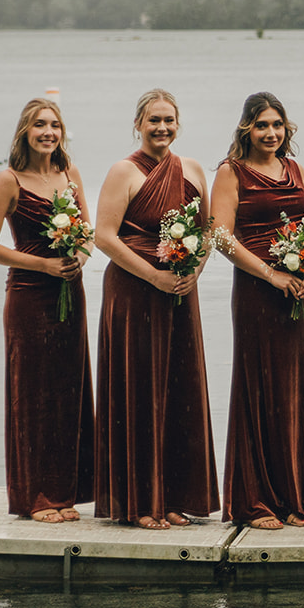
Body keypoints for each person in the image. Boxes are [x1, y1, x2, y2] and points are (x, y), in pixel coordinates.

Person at [92, 89, 219, 529]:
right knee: (139, 390)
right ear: (138, 125)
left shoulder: (195, 171)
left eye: (168, 120)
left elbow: (208, 233)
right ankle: (138, 502)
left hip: (181, 292)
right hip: (134, 292)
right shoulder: (122, 172)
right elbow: (104, 237)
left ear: (178, 124)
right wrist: (155, 276)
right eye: (153, 120)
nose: (161, 128)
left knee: (178, 390)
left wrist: (194, 272)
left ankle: (173, 498)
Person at [0, 98, 94, 524]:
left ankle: (65, 493)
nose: (48, 132)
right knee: (33, 394)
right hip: (29, 295)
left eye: (55, 125)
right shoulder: (9, 180)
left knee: (68, 390)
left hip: (70, 292)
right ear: (25, 131)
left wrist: (79, 255)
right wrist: (43, 264)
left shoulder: (70, 174)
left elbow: (88, 235)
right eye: (40, 125)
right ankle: (36, 497)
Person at [213, 91, 304, 530]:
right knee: (258, 386)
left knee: (294, 390)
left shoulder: (294, 169)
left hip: (301, 291)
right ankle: (255, 500)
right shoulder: (230, 171)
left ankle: (296, 496)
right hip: (259, 292)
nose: (271, 133)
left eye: (277, 125)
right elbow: (220, 237)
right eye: (262, 125)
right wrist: (272, 275)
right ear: (246, 129)